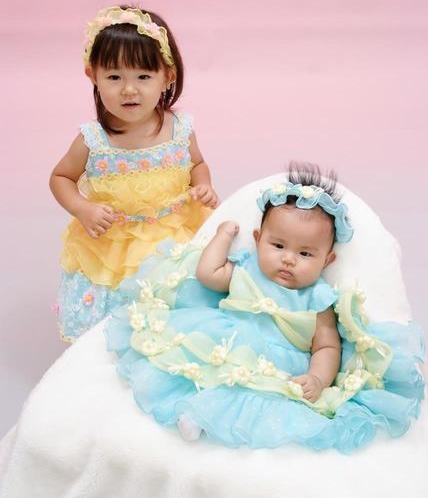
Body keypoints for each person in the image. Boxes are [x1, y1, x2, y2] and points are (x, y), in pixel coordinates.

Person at [105, 164, 424, 453]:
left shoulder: (319, 299)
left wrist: (317, 378)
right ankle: (193, 409)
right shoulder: (246, 269)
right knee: (203, 369)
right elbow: (208, 274)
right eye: (278, 246)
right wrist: (222, 236)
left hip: (277, 360)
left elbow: (326, 346)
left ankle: (205, 417)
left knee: (257, 392)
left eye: (305, 254)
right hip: (225, 338)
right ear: (258, 240)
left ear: (327, 261)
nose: (288, 259)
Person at [50, 5, 218, 341]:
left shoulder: (179, 129)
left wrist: (203, 185)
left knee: (175, 312)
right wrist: (83, 208)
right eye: (114, 77)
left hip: (173, 233)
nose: (129, 89)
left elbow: (197, 163)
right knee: (115, 320)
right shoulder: (93, 140)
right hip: (114, 243)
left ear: (167, 76)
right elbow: (61, 178)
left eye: (143, 76)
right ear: (93, 75)